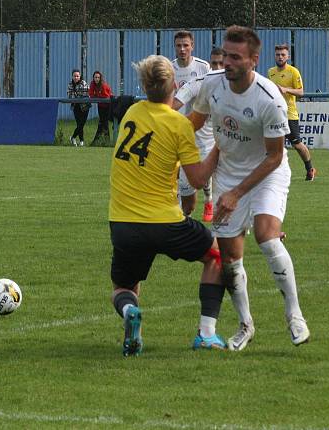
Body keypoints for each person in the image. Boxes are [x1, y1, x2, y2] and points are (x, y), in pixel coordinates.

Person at [190, 26, 311, 350]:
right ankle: (246, 324)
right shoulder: (212, 86)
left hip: (267, 174)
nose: (226, 62)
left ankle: (294, 315)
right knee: (230, 257)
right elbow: (193, 124)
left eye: (234, 57)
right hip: (228, 174)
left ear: (253, 60)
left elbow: (274, 156)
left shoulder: (270, 98)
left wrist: (235, 194)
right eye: (225, 55)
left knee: (266, 235)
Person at [109, 54, 225, 355]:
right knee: (217, 256)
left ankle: (130, 322)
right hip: (165, 222)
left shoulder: (132, 113)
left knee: (124, 288)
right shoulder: (178, 125)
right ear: (175, 83)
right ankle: (206, 333)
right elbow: (198, 180)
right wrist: (219, 149)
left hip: (122, 222)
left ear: (144, 86)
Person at [171, 30, 214, 222]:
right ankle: (180, 216)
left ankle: (209, 199)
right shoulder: (169, 69)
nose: (182, 49)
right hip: (178, 131)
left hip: (201, 130)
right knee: (179, 175)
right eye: (179, 45)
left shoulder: (203, 67)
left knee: (203, 175)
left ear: (192, 46)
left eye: (185, 45)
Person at [267, 43, 317, 181]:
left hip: (289, 114)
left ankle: (309, 168)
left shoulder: (293, 72)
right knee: (273, 145)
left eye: (283, 54)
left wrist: (286, 89)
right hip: (274, 114)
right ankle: (274, 175)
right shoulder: (270, 72)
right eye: (278, 54)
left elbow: (301, 92)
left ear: (288, 56)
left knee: (297, 145)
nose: (280, 57)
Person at [89, 70, 113, 145]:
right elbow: (91, 94)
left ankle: (96, 141)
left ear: (100, 78)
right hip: (100, 105)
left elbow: (107, 96)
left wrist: (97, 96)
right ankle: (106, 141)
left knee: (103, 123)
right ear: (93, 78)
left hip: (108, 105)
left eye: (98, 77)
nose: (96, 79)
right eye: (95, 77)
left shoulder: (103, 85)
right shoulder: (92, 84)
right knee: (103, 123)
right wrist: (97, 96)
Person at [67, 69, 89, 147]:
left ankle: (73, 137)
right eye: (74, 76)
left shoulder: (83, 83)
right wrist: (78, 96)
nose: (76, 77)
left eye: (77, 76)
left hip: (85, 106)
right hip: (76, 106)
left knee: (82, 124)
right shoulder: (70, 84)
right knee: (79, 124)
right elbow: (70, 96)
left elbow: (85, 94)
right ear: (72, 76)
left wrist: (76, 96)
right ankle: (82, 141)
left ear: (80, 76)